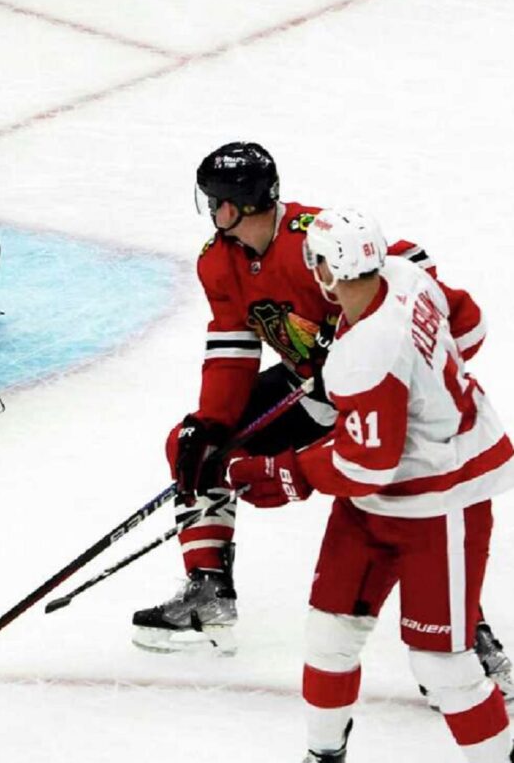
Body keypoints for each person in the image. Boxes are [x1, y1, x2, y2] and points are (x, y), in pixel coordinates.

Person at [128, 142, 512, 701]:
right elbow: (233, 345)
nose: (210, 210)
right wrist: (211, 423)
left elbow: (411, 271)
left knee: (408, 509)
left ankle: (469, 641)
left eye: (215, 201)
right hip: (309, 391)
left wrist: (367, 334)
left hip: (378, 396)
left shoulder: (316, 238)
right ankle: (209, 592)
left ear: (235, 205)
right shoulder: (219, 260)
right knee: (195, 447)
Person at [224, 208, 513, 763]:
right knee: (329, 636)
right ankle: (323, 755)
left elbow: (366, 464)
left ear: (328, 271)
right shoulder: (406, 274)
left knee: (441, 664)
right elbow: (470, 326)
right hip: (382, 497)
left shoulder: (365, 356)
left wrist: (283, 472)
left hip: (439, 501)